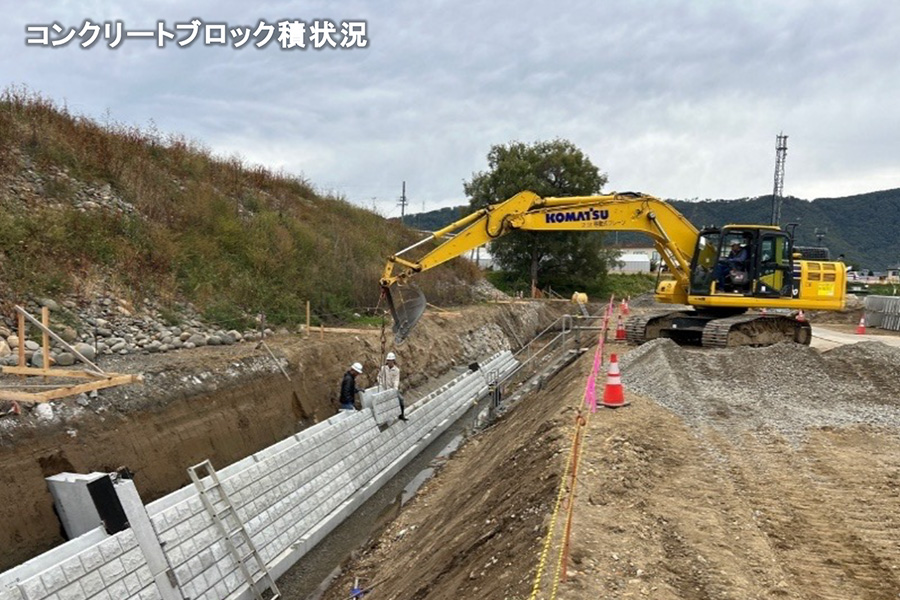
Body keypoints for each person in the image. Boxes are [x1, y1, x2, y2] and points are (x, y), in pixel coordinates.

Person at [377, 352, 407, 420]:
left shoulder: (396, 370)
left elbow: (396, 380)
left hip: (392, 389)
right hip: (384, 389)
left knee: (401, 399)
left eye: (391, 360)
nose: (389, 362)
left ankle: (401, 415)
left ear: (394, 361)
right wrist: (380, 383)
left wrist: (395, 389)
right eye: (388, 360)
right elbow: (379, 376)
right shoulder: (383, 368)